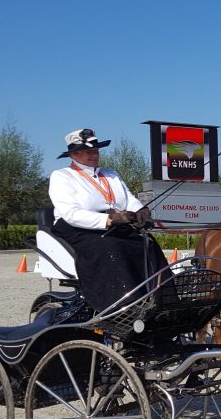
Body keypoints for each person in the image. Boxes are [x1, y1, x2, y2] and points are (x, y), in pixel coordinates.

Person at [48, 128, 166, 313]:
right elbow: (71, 213)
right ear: (74, 154)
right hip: (78, 227)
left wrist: (140, 210)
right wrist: (109, 219)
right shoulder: (62, 176)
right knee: (110, 246)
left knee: (147, 242)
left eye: (96, 150)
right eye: (88, 151)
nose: (94, 155)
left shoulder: (111, 174)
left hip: (115, 224)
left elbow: (128, 198)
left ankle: (163, 297)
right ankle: (123, 305)